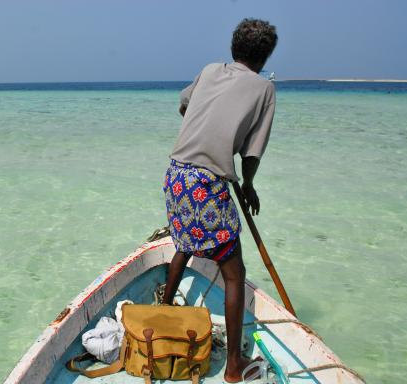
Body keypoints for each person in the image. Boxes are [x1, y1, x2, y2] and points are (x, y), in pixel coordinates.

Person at [162, 18, 278, 383]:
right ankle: (233, 367)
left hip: (176, 173)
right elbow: (253, 153)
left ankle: (164, 310)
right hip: (207, 182)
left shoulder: (210, 69)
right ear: (266, 56)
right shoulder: (264, 89)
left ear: (233, 48)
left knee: (183, 241)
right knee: (234, 274)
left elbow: (185, 106)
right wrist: (248, 184)